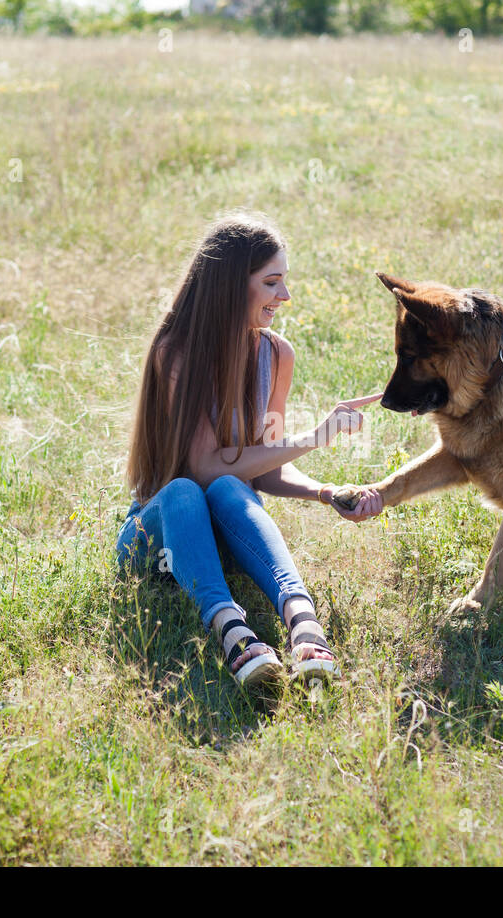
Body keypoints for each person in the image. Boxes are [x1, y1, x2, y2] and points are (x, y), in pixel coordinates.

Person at [117, 212, 383, 694]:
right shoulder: (175, 354)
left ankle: (304, 625)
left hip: (227, 534)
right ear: (230, 286)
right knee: (185, 491)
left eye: (284, 282)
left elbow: (264, 469)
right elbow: (200, 467)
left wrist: (327, 491)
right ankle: (233, 634)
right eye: (272, 282)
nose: (285, 297)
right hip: (158, 539)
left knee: (229, 487)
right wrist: (315, 436)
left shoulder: (276, 356)